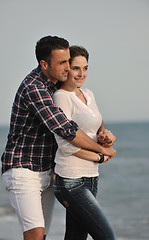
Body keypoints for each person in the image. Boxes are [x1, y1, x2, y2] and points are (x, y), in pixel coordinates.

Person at [1, 36, 116, 240]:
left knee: (45, 234)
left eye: (68, 61)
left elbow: (88, 115)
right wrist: (101, 151)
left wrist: (103, 135)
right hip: (23, 169)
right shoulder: (34, 88)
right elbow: (66, 129)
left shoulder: (57, 85)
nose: (68, 68)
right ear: (44, 64)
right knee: (35, 235)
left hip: (49, 170)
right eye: (62, 63)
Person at [53, 46, 116, 240]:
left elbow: (99, 126)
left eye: (85, 68)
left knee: (75, 237)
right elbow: (66, 145)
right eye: (76, 68)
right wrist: (100, 156)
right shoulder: (61, 97)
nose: (82, 74)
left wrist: (107, 136)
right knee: (106, 236)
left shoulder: (88, 93)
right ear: (66, 69)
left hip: (91, 178)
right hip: (71, 181)